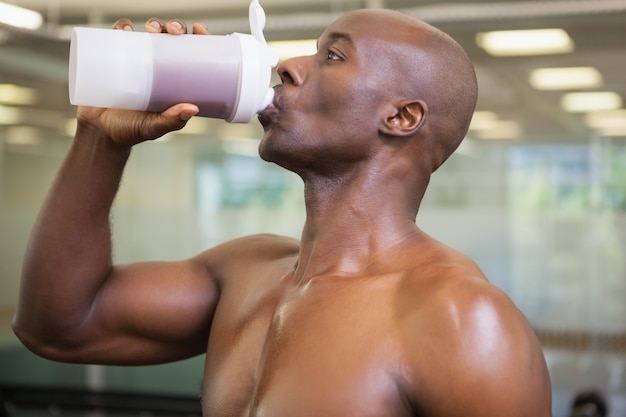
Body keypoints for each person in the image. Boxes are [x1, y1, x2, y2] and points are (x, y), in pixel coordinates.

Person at [13, 9, 552, 417]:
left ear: (402, 116)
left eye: (332, 57)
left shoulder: (461, 318)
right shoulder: (246, 273)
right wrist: (100, 139)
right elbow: (59, 327)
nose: (287, 66)